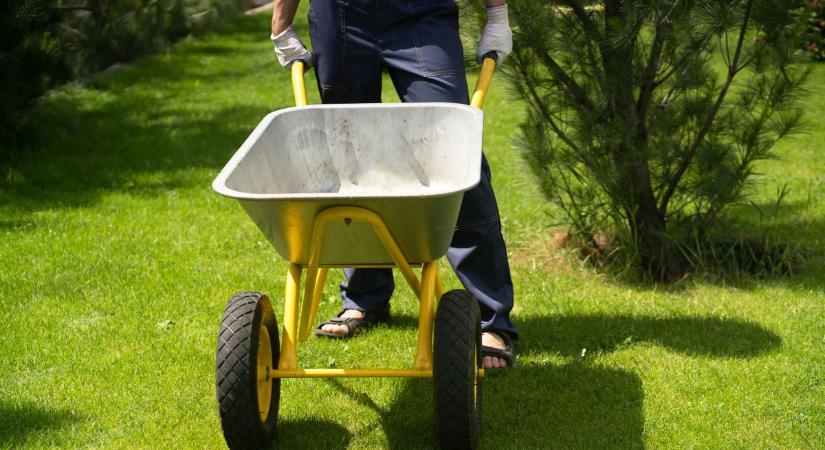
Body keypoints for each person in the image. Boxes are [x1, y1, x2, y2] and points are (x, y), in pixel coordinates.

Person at [270, 0, 517, 369]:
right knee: (348, 153)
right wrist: (280, 23)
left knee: (453, 152)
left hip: (420, 13)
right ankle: (364, 297)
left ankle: (489, 318)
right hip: (340, 17)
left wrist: (497, 11)